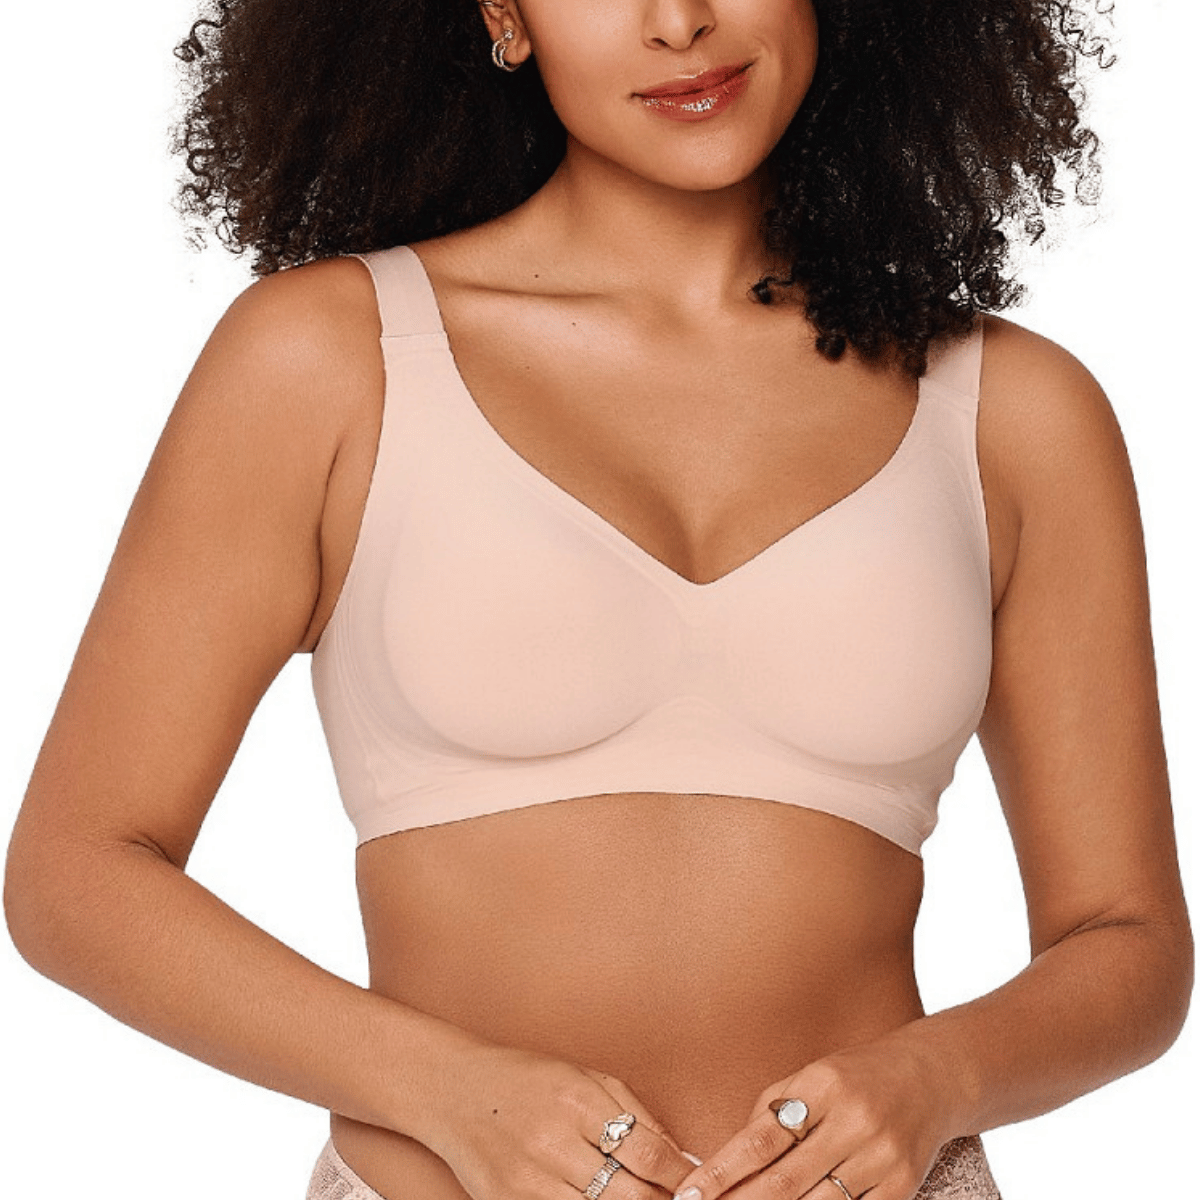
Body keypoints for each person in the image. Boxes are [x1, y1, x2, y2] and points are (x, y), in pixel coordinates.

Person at [4, 2, 1193, 1199]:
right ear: (505, 15)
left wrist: (938, 1078)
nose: (680, 22)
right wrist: (449, 1093)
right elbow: (76, 872)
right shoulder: (332, 358)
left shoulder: (1014, 413)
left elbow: (1128, 941)